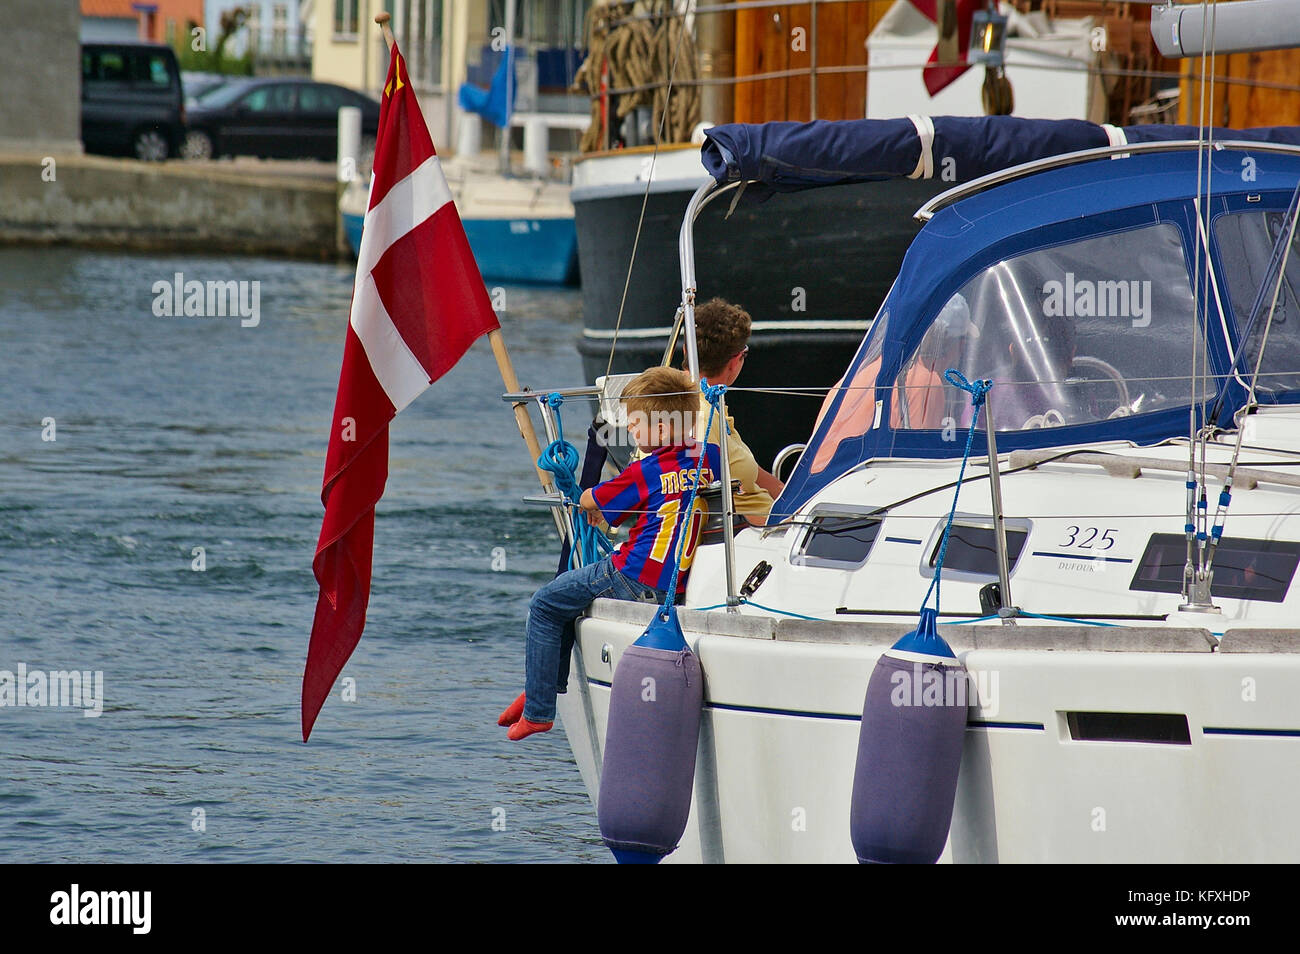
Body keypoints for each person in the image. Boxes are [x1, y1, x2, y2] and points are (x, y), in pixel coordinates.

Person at [498, 367, 722, 741]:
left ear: (663, 429)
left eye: (635, 424)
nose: (630, 432)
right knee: (567, 599)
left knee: (546, 604)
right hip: (670, 582)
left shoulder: (644, 471)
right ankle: (544, 686)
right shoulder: (708, 456)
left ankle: (539, 709)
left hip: (630, 575)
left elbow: (590, 499)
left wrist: (586, 495)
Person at [689, 298, 783, 524]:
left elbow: (750, 472)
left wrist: (797, 501)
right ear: (735, 361)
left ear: (686, 349)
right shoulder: (700, 416)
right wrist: (784, 522)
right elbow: (698, 503)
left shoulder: (710, 405)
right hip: (746, 533)